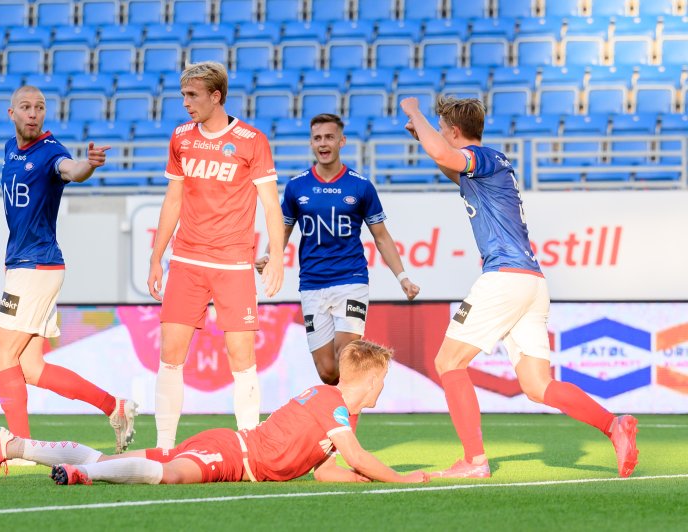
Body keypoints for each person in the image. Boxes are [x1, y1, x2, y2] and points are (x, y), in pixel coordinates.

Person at [399, 95, 639, 479]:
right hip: (531, 282)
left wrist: (415, 112)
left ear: (455, 132)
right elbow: (447, 163)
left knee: (448, 362)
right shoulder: (489, 166)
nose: (440, 136)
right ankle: (614, 426)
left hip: (505, 277)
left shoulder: (483, 158)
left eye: (444, 130)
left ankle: (474, 462)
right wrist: (424, 137)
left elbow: (445, 156)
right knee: (537, 385)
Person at [0, 340, 430, 486]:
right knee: (168, 478)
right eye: (383, 379)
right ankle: (80, 476)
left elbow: (328, 472)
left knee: (109, 461)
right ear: (371, 380)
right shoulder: (335, 407)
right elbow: (358, 456)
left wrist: (369, 478)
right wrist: (402, 479)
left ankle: (13, 445)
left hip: (227, 444)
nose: (383, 388)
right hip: (233, 456)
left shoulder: (324, 398)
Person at [0, 85, 137, 455]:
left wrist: (88, 164)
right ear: (12, 113)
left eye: (39, 107)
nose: (33, 113)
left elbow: (72, 170)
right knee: (32, 368)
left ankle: (19, 446)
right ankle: (113, 407)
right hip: (25, 264)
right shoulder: (10, 149)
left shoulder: (51, 152)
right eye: (25, 107)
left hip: (36, 266)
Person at [146, 62, 285, 450]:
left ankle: (249, 446)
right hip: (187, 261)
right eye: (184, 96)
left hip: (233, 263)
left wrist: (277, 256)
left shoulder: (251, 140)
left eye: (192, 96)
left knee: (241, 357)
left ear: (216, 96)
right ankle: (164, 446)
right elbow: (172, 199)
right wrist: (157, 258)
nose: (186, 103)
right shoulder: (180, 138)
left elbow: (271, 205)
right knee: (171, 355)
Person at [255, 114, 420, 385]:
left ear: (341, 141)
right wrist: (270, 257)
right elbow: (282, 229)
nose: (323, 143)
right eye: (318, 138)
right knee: (328, 372)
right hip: (311, 284)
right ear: (311, 143)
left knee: (346, 356)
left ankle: (347, 423)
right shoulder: (297, 187)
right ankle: (351, 399)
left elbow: (381, 237)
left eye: (329, 137)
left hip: (351, 280)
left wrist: (403, 278)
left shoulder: (361, 186)